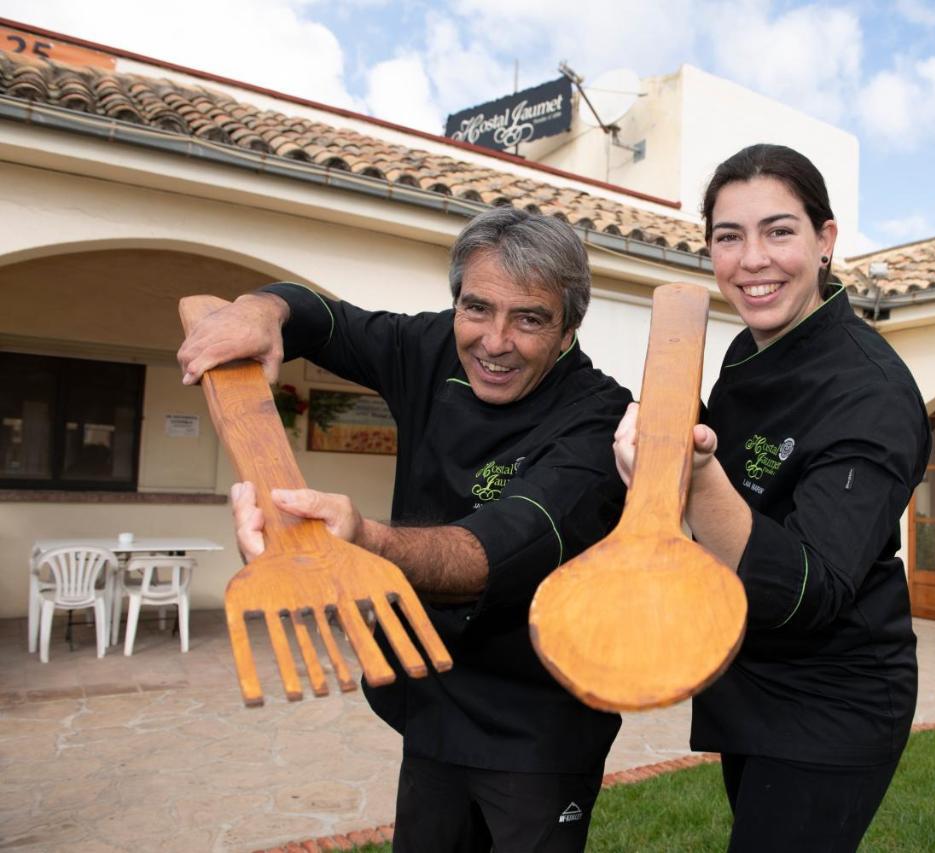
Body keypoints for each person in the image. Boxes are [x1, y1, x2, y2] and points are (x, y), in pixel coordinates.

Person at [178, 207, 632, 853]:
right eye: (477, 308)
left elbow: (491, 550)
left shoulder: (600, 419)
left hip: (539, 720)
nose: (495, 341)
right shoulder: (430, 348)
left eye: (529, 318)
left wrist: (361, 541)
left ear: (567, 329)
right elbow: (327, 319)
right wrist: (265, 306)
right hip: (430, 690)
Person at [614, 144, 930, 851]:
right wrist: (658, 442)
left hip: (835, 697)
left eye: (779, 231)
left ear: (825, 242)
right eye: (729, 236)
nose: (752, 259)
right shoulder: (745, 351)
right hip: (749, 672)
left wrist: (693, 470)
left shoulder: (871, 393)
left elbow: (812, 588)